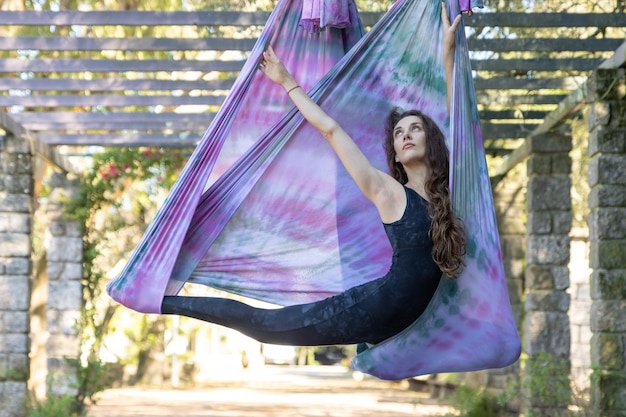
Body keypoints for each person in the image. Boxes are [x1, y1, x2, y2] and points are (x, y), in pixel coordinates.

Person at [160, 4, 466, 347]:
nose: (406, 135)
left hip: (397, 323)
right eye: (398, 133)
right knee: (265, 324)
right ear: (394, 152)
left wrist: (449, 52)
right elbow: (332, 130)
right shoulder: (388, 191)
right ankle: (159, 302)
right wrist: (288, 82)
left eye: (415, 129)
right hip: (367, 309)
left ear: (431, 139)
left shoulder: (453, 189)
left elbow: (460, 124)